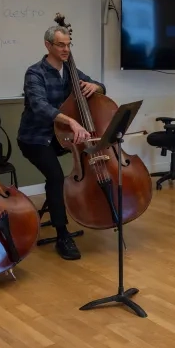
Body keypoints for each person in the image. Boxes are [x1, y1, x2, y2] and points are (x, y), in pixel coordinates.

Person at [17, 24, 105, 261]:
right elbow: (40, 106)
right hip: (35, 138)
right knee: (55, 177)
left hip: (61, 136)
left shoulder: (71, 71)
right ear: (48, 45)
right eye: (61, 45)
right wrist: (72, 122)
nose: (66, 50)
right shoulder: (35, 73)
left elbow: (100, 87)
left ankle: (99, 209)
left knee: (91, 153)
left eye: (68, 45)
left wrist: (96, 86)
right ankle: (62, 234)